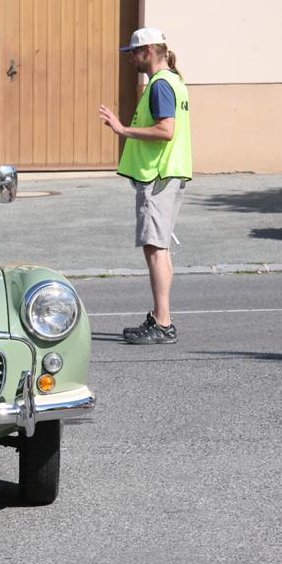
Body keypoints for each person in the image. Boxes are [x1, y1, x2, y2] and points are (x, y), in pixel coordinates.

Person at [98, 27, 192, 345]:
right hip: (166, 174)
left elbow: (166, 131)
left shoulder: (161, 85)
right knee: (159, 246)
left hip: (158, 176)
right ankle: (160, 317)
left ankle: (163, 323)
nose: (132, 59)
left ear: (149, 51)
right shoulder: (173, 81)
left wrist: (123, 129)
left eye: (134, 53)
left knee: (155, 248)